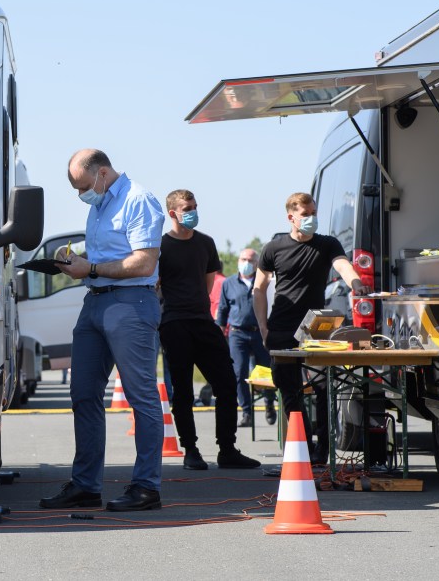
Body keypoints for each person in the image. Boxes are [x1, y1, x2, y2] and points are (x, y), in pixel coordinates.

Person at [39, 149, 164, 512]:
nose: (81, 195)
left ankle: (146, 487)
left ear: (102, 173)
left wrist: (90, 267)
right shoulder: (100, 204)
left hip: (131, 303)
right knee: (83, 393)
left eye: (83, 186)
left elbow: (143, 262)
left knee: (141, 396)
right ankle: (86, 484)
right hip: (96, 302)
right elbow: (109, 254)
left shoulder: (138, 199)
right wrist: (76, 262)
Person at [252, 192, 368, 464]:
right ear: (291, 217)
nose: (311, 219)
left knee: (324, 388)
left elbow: (342, 265)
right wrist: (263, 329)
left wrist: (355, 283)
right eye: (305, 215)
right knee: (290, 391)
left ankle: (323, 448)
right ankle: (302, 446)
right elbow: (259, 288)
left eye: (314, 213)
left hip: (316, 329)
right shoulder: (273, 247)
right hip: (280, 328)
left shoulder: (327, 244)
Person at [157, 189, 260, 470]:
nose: (193, 211)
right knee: (182, 391)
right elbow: (156, 288)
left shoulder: (206, 243)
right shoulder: (161, 246)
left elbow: (207, 284)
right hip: (174, 324)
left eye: (194, 206)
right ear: (173, 213)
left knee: (226, 383)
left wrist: (201, 310)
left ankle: (227, 449)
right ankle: (190, 449)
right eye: (187, 207)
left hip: (203, 322)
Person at [216, 248, 277, 428]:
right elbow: (223, 309)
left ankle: (269, 404)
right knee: (238, 373)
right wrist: (219, 332)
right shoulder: (228, 283)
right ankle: (246, 412)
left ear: (257, 263)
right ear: (238, 261)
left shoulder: (266, 282)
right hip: (237, 333)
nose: (246, 263)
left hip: (260, 332)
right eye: (243, 259)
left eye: (250, 260)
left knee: (266, 372)